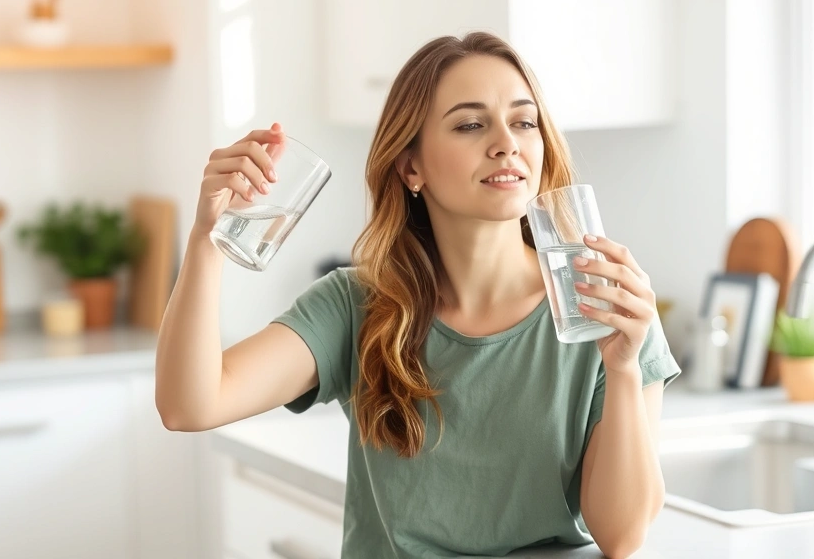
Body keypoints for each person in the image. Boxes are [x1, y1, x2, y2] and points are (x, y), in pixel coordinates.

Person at [155, 31, 681, 559]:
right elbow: (189, 405)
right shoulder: (356, 306)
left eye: (524, 121)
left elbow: (622, 535)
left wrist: (624, 369)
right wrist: (207, 240)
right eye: (471, 124)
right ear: (410, 167)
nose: (507, 142)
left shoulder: (605, 306)